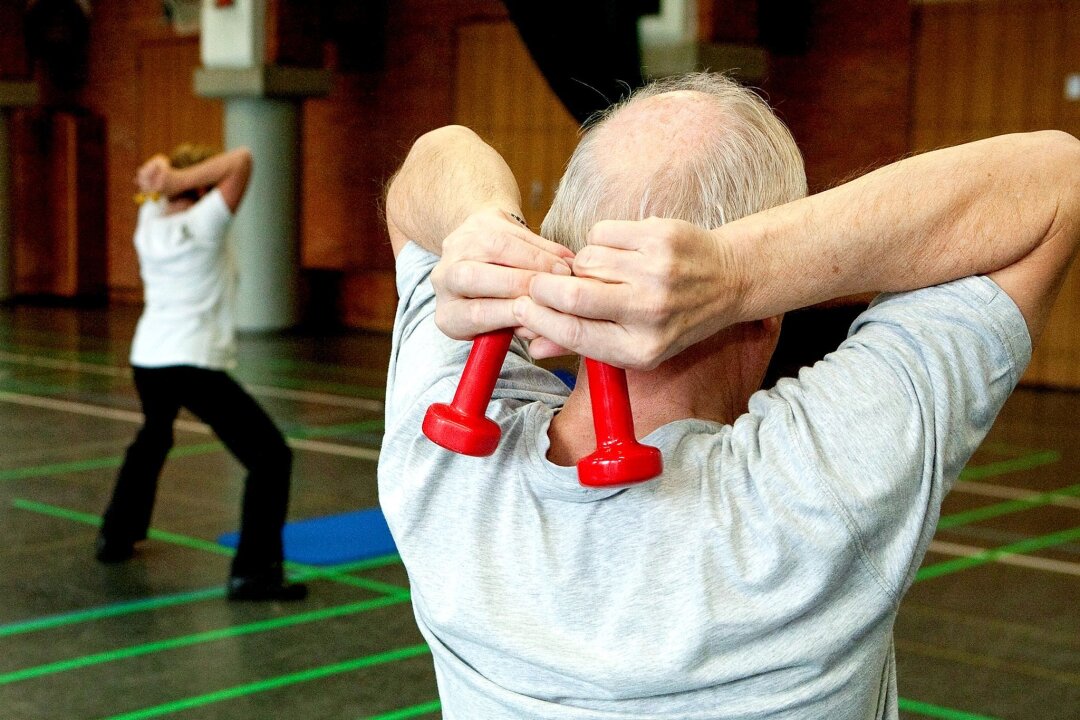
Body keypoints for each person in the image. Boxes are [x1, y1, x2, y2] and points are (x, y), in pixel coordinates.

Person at [379, 72, 1080, 718]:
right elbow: (1056, 177)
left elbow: (429, 169)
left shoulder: (438, 465)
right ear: (771, 310)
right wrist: (745, 269)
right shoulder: (818, 485)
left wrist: (482, 222)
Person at [96, 144, 307, 602]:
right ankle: (254, 572)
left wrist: (160, 174)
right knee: (271, 457)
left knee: (153, 436)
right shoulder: (205, 222)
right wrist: (174, 177)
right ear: (202, 187)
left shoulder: (149, 222)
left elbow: (152, 179)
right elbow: (245, 158)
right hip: (190, 362)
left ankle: (116, 534)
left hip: (148, 359)